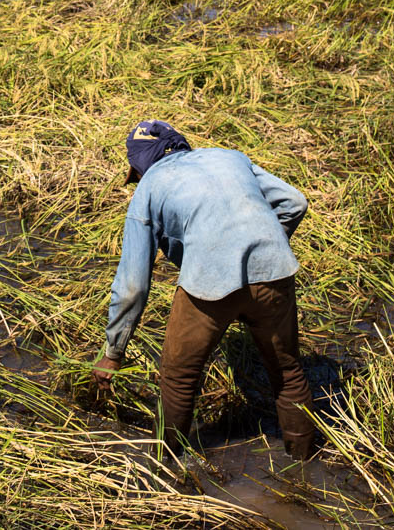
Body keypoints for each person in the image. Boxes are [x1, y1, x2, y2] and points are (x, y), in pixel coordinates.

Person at [91, 120, 316, 460]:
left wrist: (113, 352)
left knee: (179, 379)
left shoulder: (149, 186)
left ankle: (163, 468)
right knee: (287, 374)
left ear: (140, 165)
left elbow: (133, 285)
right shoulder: (229, 157)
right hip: (275, 271)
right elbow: (294, 202)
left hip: (209, 286)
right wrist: (263, 251)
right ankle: (303, 467)